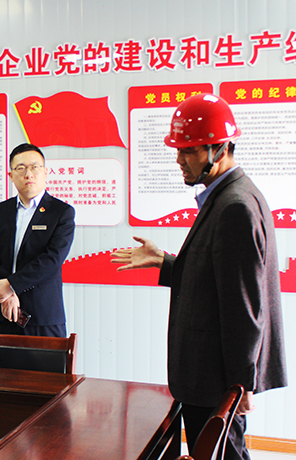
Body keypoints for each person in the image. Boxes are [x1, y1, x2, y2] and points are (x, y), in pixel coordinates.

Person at [111, 93, 287, 460]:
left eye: (188, 150)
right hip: (209, 377)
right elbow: (215, 279)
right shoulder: (226, 197)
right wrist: (165, 262)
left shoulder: (235, 207)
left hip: (214, 380)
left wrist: (239, 385)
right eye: (179, 150)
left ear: (219, 149)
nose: (179, 159)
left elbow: (243, 307)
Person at [0, 143, 75, 337]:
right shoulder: (0, 211)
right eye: (21, 168)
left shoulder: (61, 212)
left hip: (43, 314)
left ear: (45, 172)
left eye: (34, 167)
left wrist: (11, 286)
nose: (28, 174)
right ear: (11, 175)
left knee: (46, 359)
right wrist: (6, 294)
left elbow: (52, 259)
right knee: (1, 358)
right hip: (3, 310)